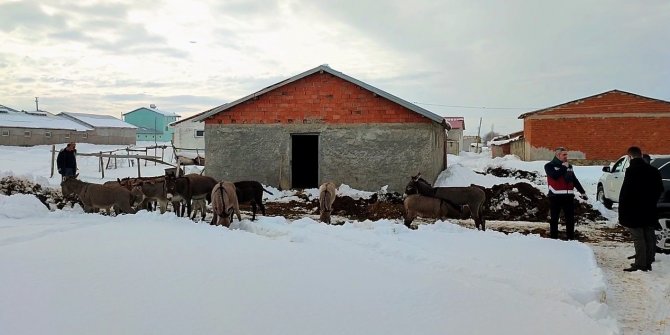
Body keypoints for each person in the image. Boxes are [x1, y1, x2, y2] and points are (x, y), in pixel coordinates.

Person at [619, 146, 663, 272]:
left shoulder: (631, 170)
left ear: (629, 157)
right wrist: (651, 201)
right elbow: (660, 189)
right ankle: (648, 261)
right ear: (641, 155)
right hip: (649, 209)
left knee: (638, 237)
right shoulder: (653, 170)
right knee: (649, 235)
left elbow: (626, 193)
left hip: (634, 211)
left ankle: (640, 264)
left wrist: (623, 211)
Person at [544, 147, 587, 240]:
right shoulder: (549, 166)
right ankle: (553, 238)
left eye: (566, 154)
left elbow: (574, 180)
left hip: (568, 197)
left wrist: (582, 192)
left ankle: (571, 239)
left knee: (570, 219)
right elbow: (554, 176)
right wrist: (564, 167)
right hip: (555, 196)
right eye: (564, 155)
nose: (566, 156)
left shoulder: (569, 167)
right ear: (557, 155)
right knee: (554, 219)